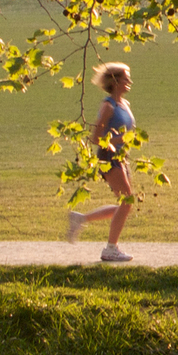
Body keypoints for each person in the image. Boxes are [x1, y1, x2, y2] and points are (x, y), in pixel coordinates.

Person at [66, 62, 140, 262]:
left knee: (125, 204)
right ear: (115, 82)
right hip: (108, 158)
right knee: (127, 201)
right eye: (126, 78)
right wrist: (120, 140)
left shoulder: (124, 104)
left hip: (121, 158)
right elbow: (95, 137)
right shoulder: (108, 106)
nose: (129, 82)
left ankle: (81, 219)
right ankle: (110, 249)